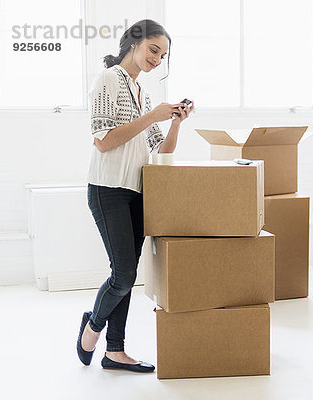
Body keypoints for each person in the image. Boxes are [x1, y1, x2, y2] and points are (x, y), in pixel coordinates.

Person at [76, 19, 193, 373]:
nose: (157, 59)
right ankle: (92, 327)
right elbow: (103, 139)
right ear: (133, 43)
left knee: (125, 272)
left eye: (163, 55)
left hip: (138, 192)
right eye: (153, 50)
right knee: (123, 275)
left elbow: (162, 150)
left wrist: (174, 121)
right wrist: (151, 116)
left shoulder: (142, 93)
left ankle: (115, 351)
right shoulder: (108, 78)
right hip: (108, 189)